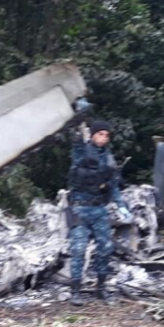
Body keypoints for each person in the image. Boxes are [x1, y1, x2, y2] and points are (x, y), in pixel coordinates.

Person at [67, 119, 132, 306]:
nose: (103, 138)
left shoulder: (108, 159)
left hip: (99, 209)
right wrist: (78, 116)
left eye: (106, 135)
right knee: (78, 249)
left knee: (105, 249)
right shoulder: (81, 151)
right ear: (93, 135)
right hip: (80, 208)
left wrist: (121, 206)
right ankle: (75, 291)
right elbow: (76, 138)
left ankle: (101, 288)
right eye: (99, 134)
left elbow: (113, 186)